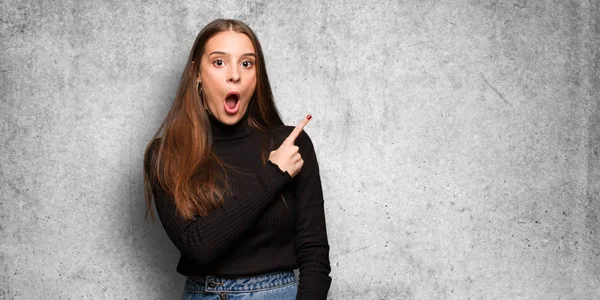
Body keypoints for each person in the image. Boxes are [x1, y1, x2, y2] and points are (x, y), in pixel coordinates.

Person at [142, 19, 332, 299]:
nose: (235, 75)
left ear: (257, 75)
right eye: (219, 62)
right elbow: (198, 246)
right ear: (196, 72)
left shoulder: (291, 144)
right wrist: (274, 174)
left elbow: (314, 253)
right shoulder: (166, 155)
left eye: (246, 64)